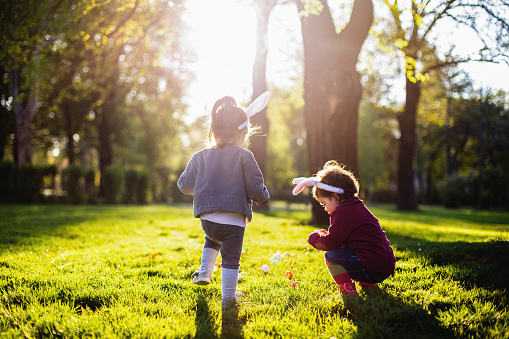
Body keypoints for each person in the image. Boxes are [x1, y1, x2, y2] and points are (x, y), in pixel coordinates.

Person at [178, 95, 270, 307]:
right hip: (234, 222)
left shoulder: (200, 156)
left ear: (214, 130)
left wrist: (202, 192)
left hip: (208, 221)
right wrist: (263, 199)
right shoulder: (244, 156)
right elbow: (255, 187)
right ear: (243, 132)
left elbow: (183, 184)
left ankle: (204, 272)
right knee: (230, 258)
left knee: (212, 240)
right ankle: (228, 299)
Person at [292, 161, 396, 295]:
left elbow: (331, 243)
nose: (325, 209)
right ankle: (367, 283)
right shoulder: (355, 206)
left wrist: (315, 238)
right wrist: (329, 236)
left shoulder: (342, 212)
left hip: (372, 268)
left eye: (324, 203)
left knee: (331, 257)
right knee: (348, 252)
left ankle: (348, 289)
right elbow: (349, 239)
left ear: (335, 197)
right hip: (384, 265)